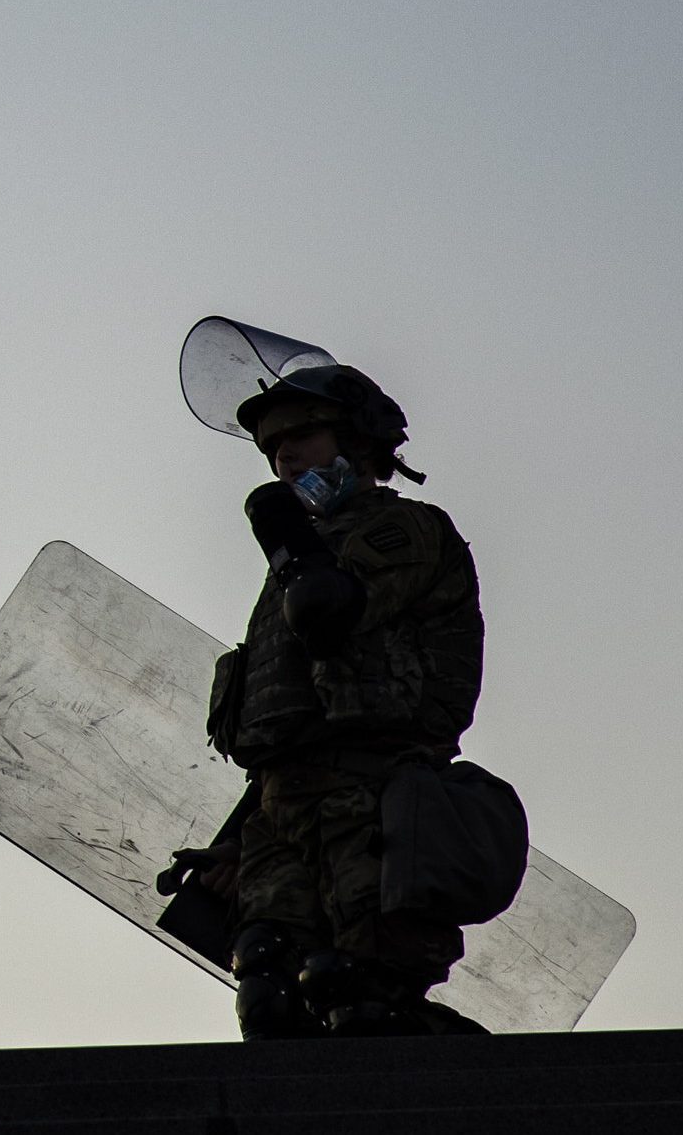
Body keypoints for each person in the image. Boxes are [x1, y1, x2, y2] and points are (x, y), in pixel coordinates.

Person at [193, 345, 487, 1037]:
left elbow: (332, 610)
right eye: (271, 447)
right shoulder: (298, 558)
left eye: (301, 436)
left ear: (354, 442)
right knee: (270, 996)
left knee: (361, 1000)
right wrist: (235, 840)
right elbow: (288, 719)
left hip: (374, 802)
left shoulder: (401, 527)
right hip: (280, 811)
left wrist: (287, 534)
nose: (285, 458)